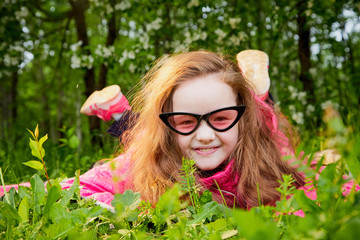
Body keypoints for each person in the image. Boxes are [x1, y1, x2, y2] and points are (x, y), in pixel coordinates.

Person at [1, 50, 357, 215]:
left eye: (220, 119)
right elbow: (69, 189)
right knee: (136, 131)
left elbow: (333, 192)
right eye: (186, 122)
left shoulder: (270, 156)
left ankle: (257, 90)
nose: (204, 136)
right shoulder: (145, 159)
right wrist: (116, 206)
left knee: (267, 121)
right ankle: (114, 108)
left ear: (238, 117)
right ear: (167, 126)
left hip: (257, 131)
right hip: (154, 136)